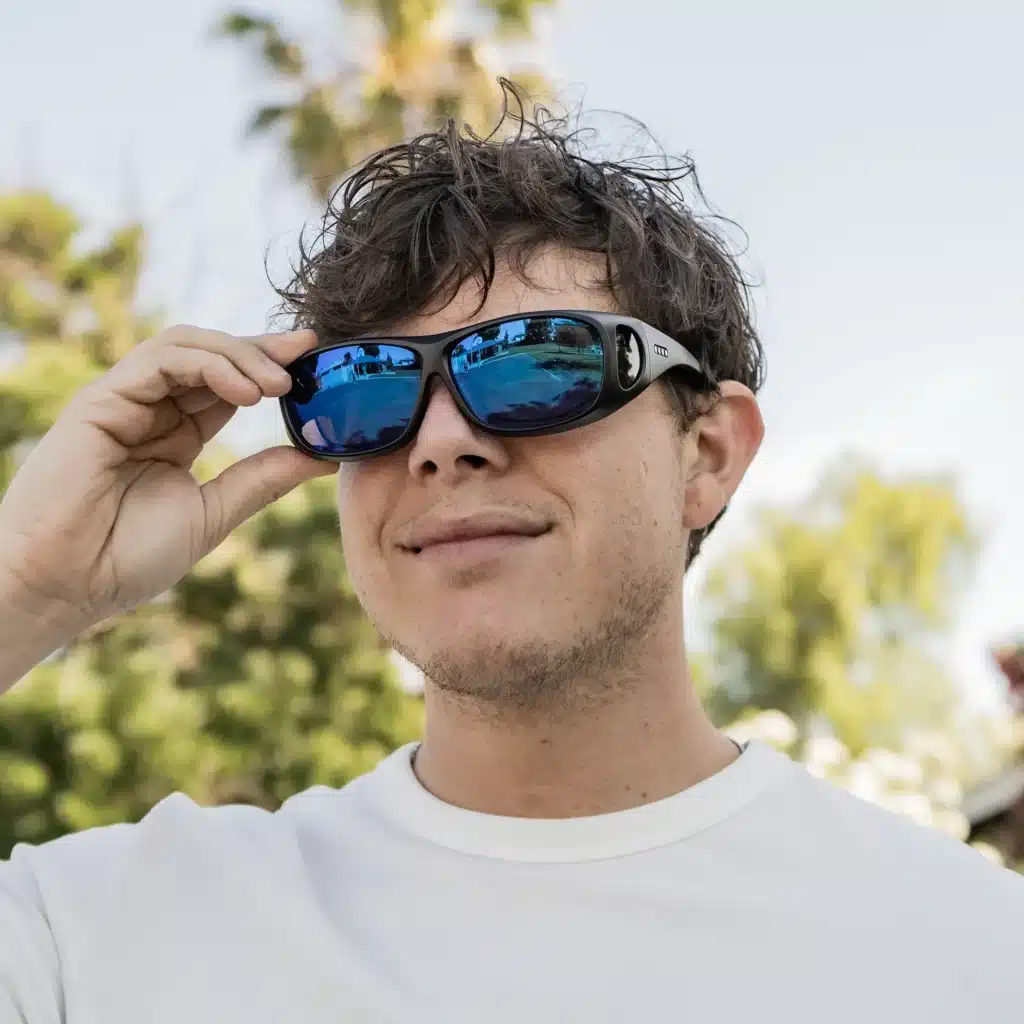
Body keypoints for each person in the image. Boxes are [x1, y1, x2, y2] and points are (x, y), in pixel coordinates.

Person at [0, 89, 1021, 1024]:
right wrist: (26, 587)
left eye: (538, 363)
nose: (440, 438)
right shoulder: (93, 938)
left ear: (705, 454)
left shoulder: (973, 956)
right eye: (369, 387)